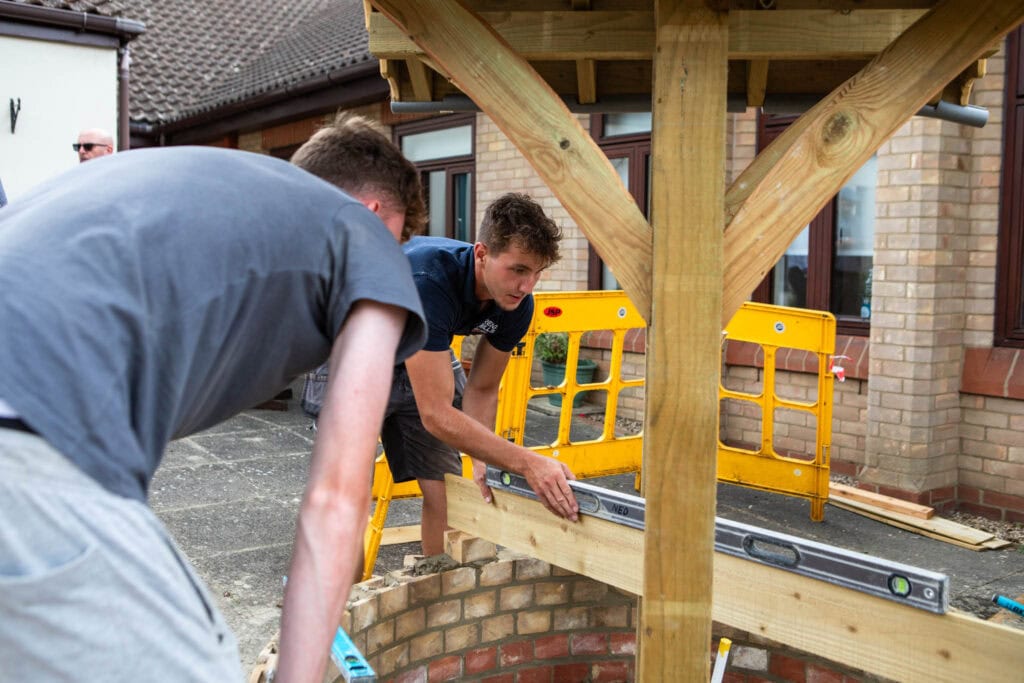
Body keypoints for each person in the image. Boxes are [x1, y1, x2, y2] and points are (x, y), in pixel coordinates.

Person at [0, 114, 429, 683]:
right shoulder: (366, 237)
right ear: (377, 213)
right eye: (399, 237)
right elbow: (335, 500)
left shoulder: (180, 178)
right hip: (31, 444)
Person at [383, 193, 580, 557]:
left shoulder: (518, 304)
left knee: (448, 494)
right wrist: (527, 462)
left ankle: (436, 590)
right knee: (346, 498)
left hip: (421, 352)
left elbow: (484, 388)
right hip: (355, 357)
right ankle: (332, 610)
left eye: (537, 273)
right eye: (518, 270)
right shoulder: (428, 280)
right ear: (481, 253)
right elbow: (437, 413)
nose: (527, 286)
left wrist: (481, 459)